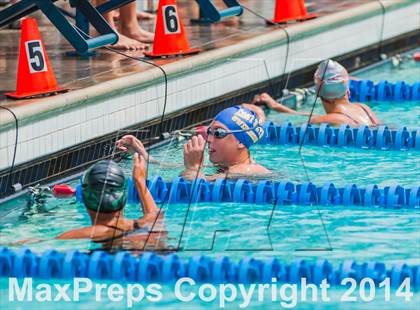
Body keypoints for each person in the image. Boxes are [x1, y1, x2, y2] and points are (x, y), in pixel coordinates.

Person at [116, 106, 270, 181]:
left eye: (218, 133)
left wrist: (192, 169)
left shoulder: (246, 172)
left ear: (241, 142)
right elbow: (173, 167)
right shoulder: (228, 166)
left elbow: (192, 187)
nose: (209, 139)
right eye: (209, 132)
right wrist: (144, 156)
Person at [252, 60, 381, 127]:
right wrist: (277, 106)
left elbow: (286, 129)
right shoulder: (364, 108)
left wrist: (260, 115)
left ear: (318, 95)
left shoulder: (327, 119)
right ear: (347, 91)